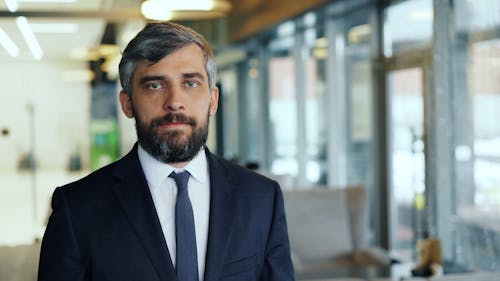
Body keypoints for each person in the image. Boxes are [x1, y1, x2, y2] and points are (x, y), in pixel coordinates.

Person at [37, 21, 295, 281]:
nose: (175, 102)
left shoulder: (262, 199)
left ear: (213, 100)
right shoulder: (77, 208)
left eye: (191, 84)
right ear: (127, 103)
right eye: (155, 85)